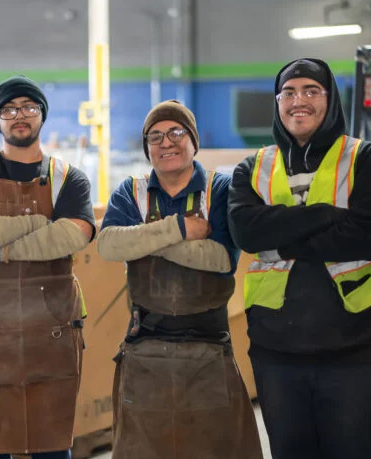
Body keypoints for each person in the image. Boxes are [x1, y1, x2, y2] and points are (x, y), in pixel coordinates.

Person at [228, 58, 371, 459]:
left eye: (310, 91)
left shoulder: (366, 160)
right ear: (277, 102)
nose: (297, 101)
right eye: (288, 92)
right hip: (276, 354)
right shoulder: (252, 169)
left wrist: (283, 239)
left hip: (352, 351)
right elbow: (248, 233)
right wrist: (325, 217)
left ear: (331, 100)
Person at [97, 100, 263, 459]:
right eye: (155, 136)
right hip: (146, 346)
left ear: (193, 141)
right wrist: (178, 229)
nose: (166, 142)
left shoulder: (219, 189)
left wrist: (145, 239)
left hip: (208, 349)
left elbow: (220, 259)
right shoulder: (132, 190)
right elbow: (109, 244)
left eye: (176, 132)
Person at [0, 75, 95, 459]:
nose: (19, 116)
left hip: (53, 331)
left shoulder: (68, 177)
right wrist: (39, 226)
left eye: (29, 107)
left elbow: (74, 235)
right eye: (9, 109)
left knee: (51, 443)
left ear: (42, 116)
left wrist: (0, 244)